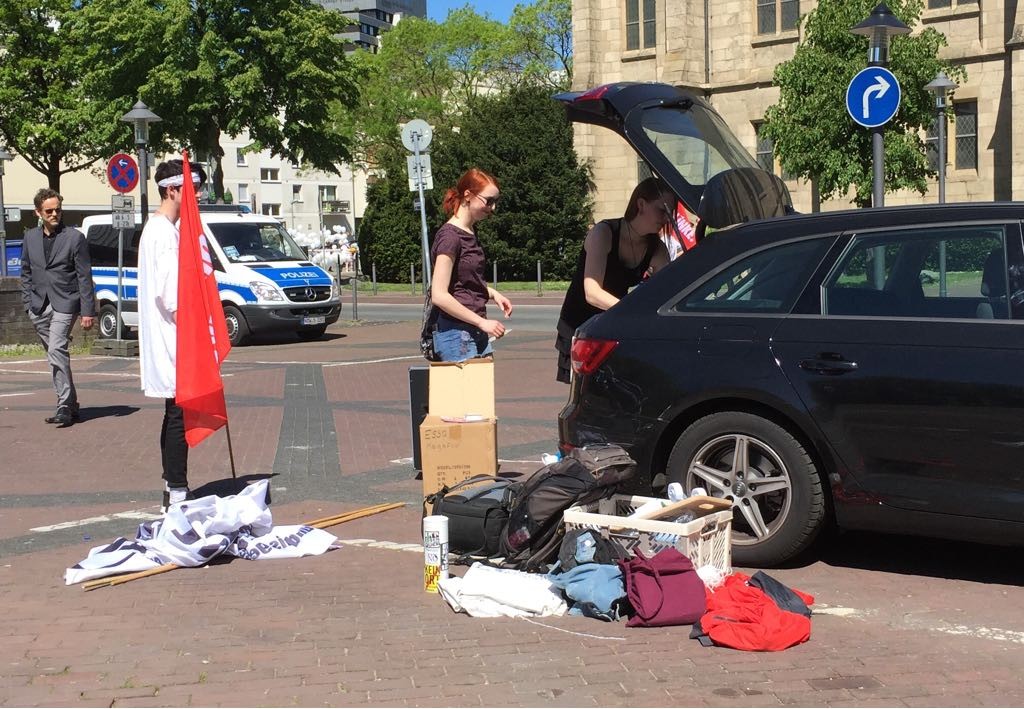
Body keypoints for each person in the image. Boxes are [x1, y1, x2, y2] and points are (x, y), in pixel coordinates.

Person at [137, 158, 208, 512]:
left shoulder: (159, 229)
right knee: (181, 416)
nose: (195, 199)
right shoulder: (164, 233)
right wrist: (196, 338)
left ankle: (172, 486)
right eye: (191, 191)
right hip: (174, 341)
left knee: (173, 413)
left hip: (169, 340)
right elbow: (172, 295)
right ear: (172, 190)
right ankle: (177, 492)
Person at [555, 177, 674, 383]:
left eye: (670, 212)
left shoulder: (657, 248)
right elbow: (592, 292)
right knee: (584, 395)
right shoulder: (604, 233)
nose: (667, 217)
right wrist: (632, 313)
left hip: (613, 325)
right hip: (580, 325)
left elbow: (668, 290)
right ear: (641, 204)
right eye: (662, 210)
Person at [20, 188, 96, 426]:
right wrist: (27, 304)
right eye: (49, 211)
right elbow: (25, 271)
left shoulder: (75, 238)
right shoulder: (30, 238)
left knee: (55, 351)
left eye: (58, 210)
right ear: (38, 213)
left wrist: (87, 311)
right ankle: (72, 405)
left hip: (65, 302)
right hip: (38, 305)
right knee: (57, 355)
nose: (55, 214)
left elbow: (84, 275)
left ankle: (63, 405)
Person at [429, 168, 513, 362]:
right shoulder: (450, 237)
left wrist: (492, 293)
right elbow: (439, 295)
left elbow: (464, 281)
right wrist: (482, 322)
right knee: (465, 393)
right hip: (456, 335)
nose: (493, 207)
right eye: (488, 201)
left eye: (496, 201)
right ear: (468, 195)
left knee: (480, 392)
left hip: (473, 332)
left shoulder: (470, 231)